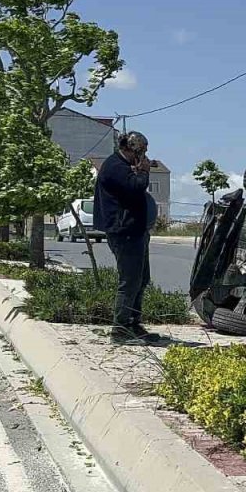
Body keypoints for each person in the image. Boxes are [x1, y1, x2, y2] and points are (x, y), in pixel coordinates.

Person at [95, 131, 153, 344]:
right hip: (124, 232)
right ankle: (119, 329)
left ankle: (133, 323)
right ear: (133, 149)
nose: (144, 155)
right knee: (129, 281)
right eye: (142, 151)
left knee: (141, 278)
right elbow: (136, 187)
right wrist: (144, 172)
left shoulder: (121, 166)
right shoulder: (115, 167)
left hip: (135, 230)